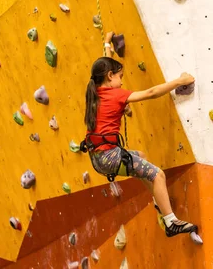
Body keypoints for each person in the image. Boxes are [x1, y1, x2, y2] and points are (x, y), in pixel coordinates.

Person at [82, 31, 198, 237]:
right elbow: (151, 93)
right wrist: (180, 81)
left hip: (98, 158)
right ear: (110, 76)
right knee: (157, 174)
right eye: (120, 77)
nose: (122, 82)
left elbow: (106, 68)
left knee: (141, 157)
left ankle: (158, 201)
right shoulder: (116, 94)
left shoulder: (95, 91)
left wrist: (108, 44)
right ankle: (171, 222)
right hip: (110, 156)